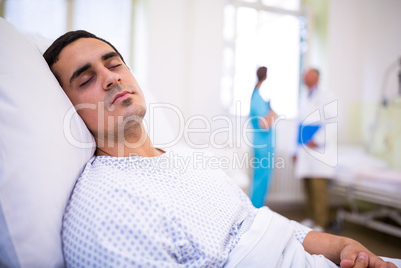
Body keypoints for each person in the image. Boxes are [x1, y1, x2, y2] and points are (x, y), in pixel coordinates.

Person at [43, 30, 397, 268]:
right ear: (66, 107)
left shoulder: (187, 161)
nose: (110, 77)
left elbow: (262, 222)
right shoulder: (108, 209)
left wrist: (340, 246)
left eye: (114, 62)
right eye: (86, 79)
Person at [293, 68, 337, 232]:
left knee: (318, 188)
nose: (304, 77)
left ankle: (321, 222)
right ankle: (311, 218)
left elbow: (333, 122)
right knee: (307, 186)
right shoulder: (304, 96)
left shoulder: (327, 95)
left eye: (308, 74)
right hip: (304, 147)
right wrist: (294, 149)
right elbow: (298, 124)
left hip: (319, 149)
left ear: (316, 77)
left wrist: (317, 140)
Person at [249, 66, 277, 208]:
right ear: (266, 77)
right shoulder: (258, 98)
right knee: (261, 180)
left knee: (260, 179)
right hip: (263, 146)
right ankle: (256, 210)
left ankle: (256, 209)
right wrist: (273, 114)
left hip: (261, 144)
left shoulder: (256, 96)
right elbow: (264, 124)